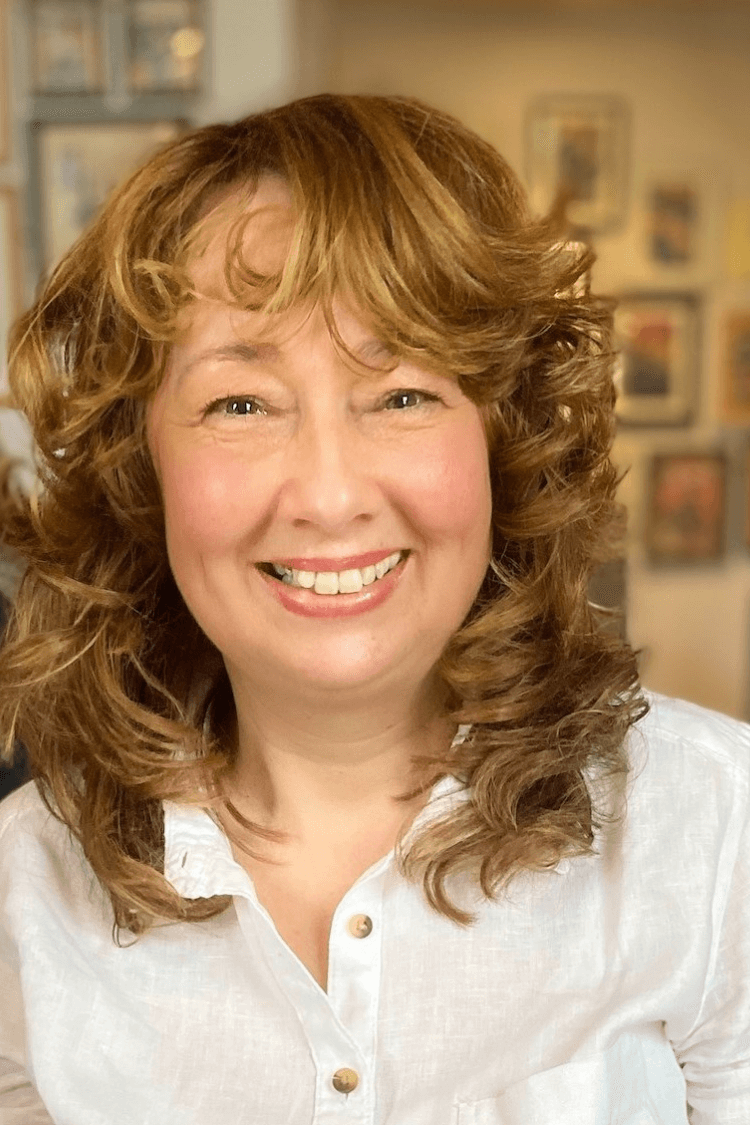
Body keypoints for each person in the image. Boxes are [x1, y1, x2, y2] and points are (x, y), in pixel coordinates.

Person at [0, 93, 747, 1124]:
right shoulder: (21, 900)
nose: (330, 494)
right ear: (143, 467)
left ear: (501, 438)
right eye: (241, 403)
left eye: (401, 393)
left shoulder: (716, 834)